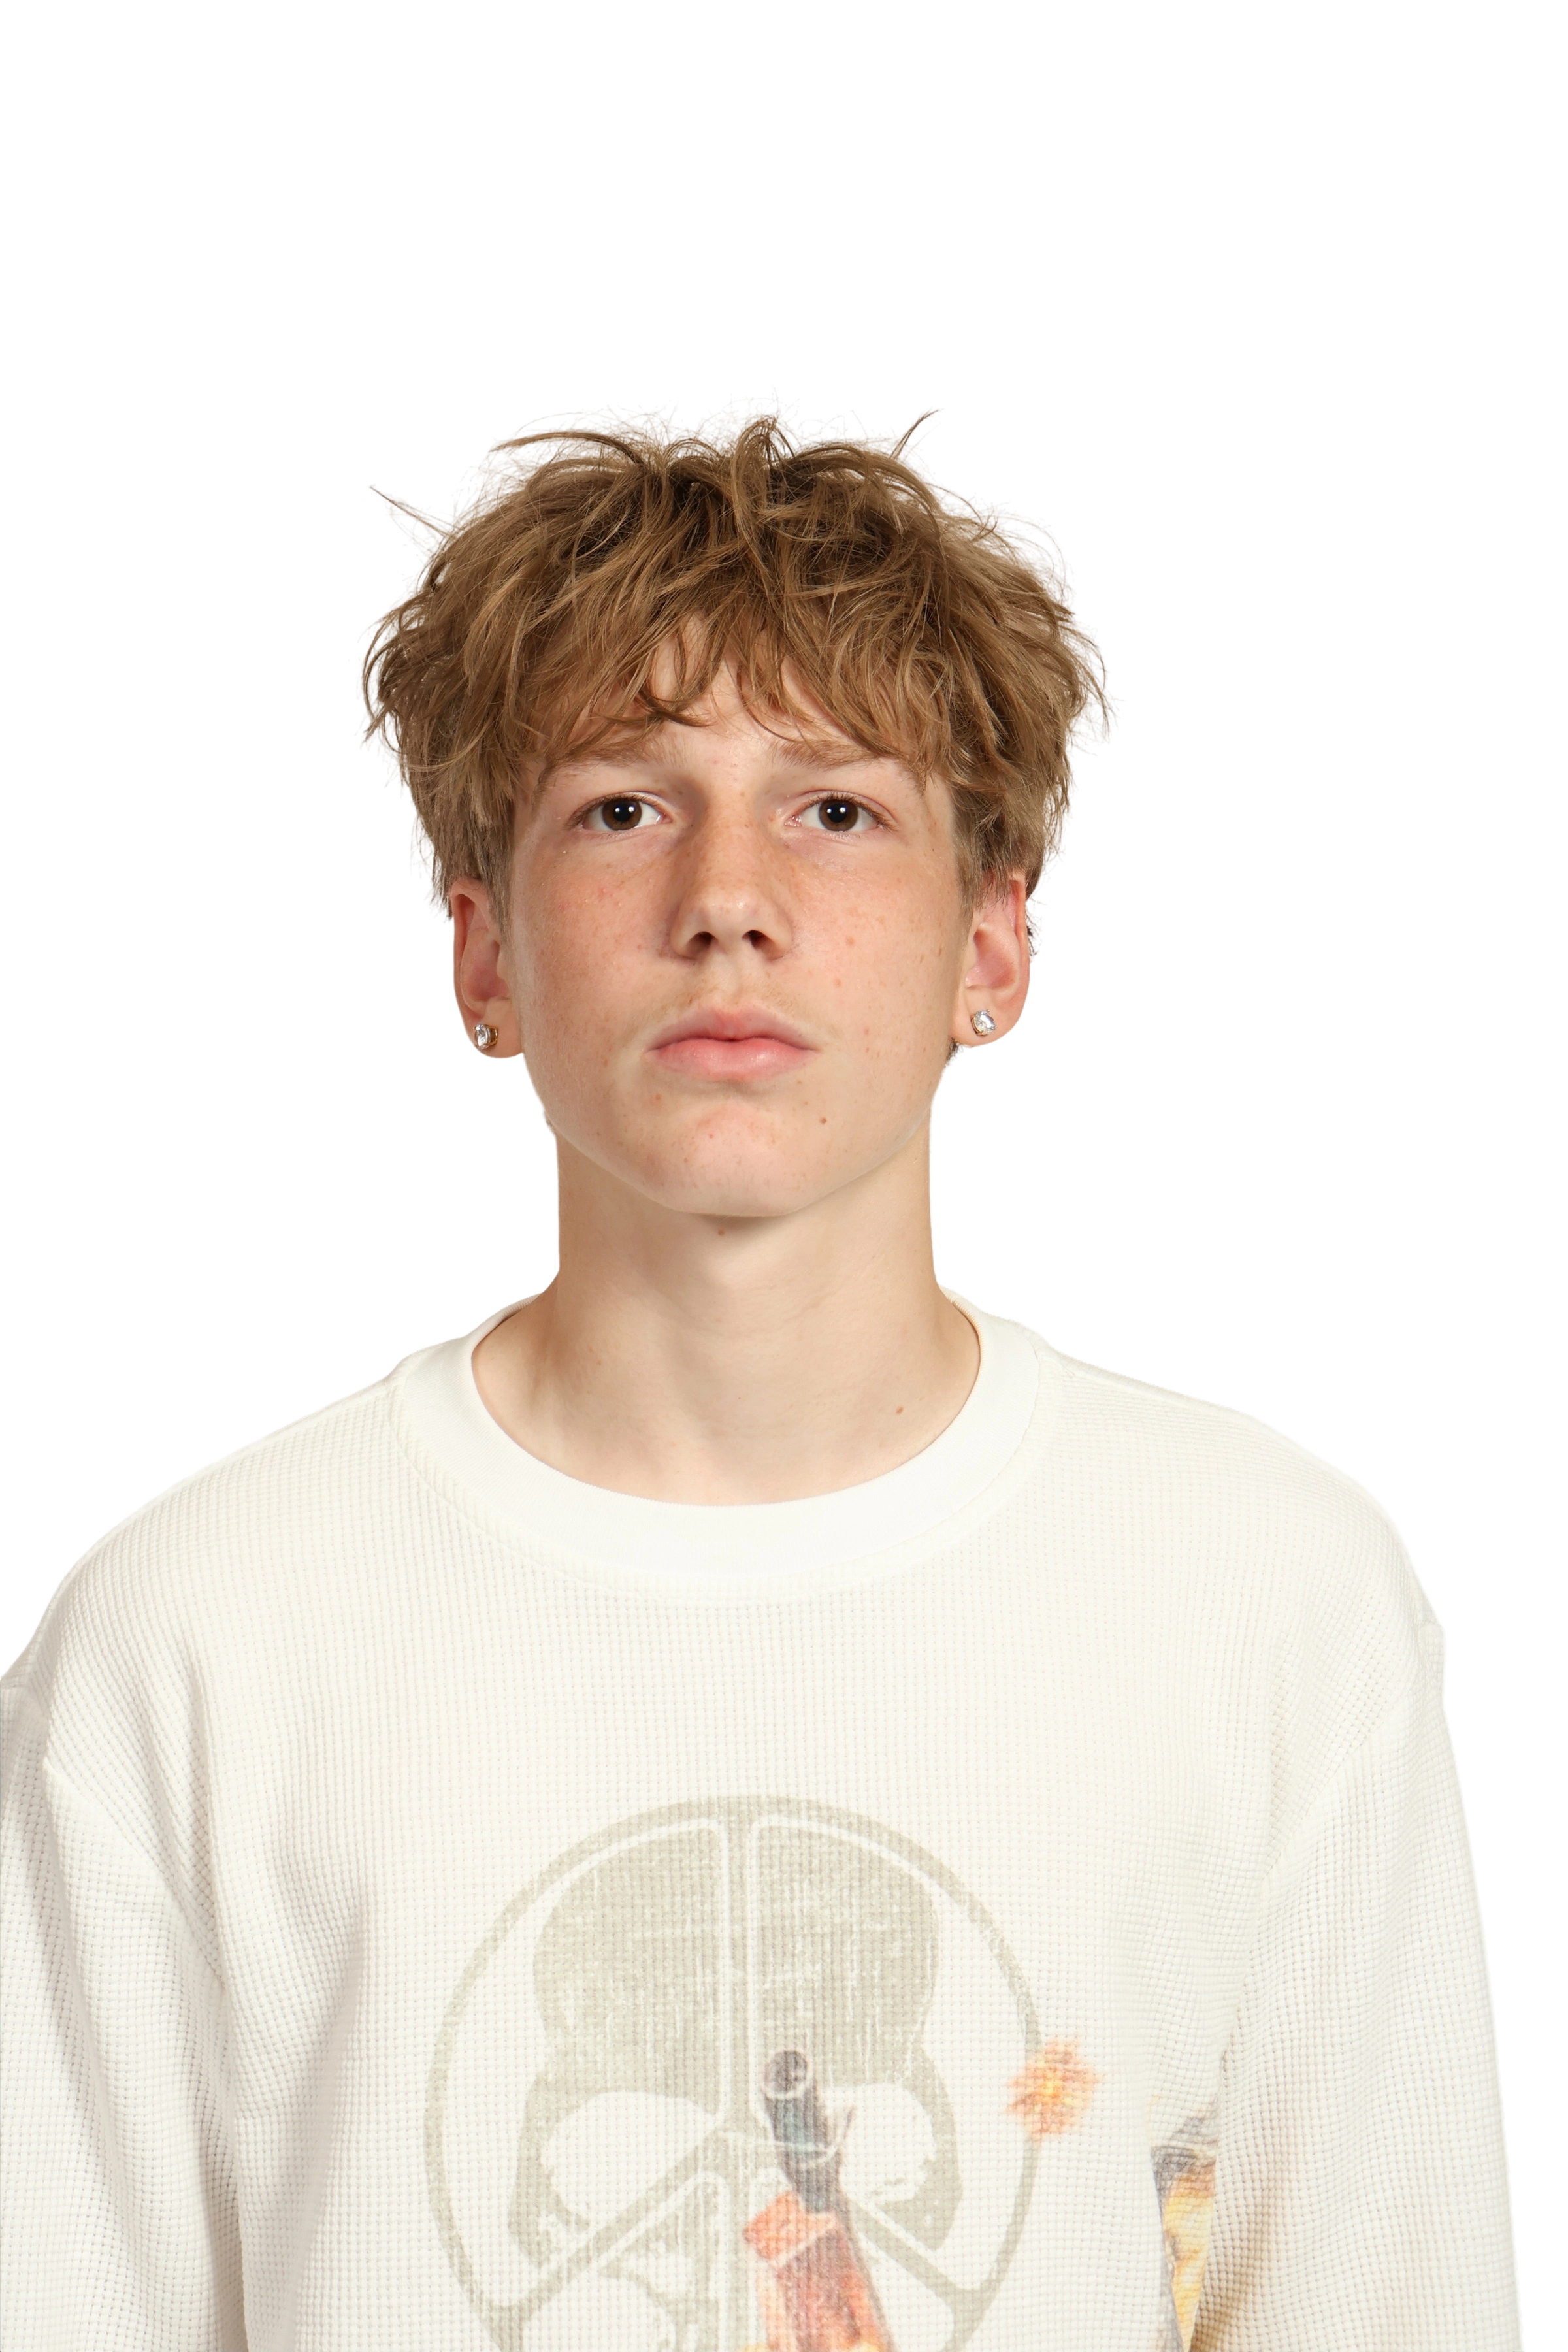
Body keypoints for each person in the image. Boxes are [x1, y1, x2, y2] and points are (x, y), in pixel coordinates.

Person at [1, 392, 1524, 2352]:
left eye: (837, 808)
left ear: (995, 946)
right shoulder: (193, 1634)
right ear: (482, 956)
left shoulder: (1272, 1595)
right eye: (624, 806)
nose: (728, 901)